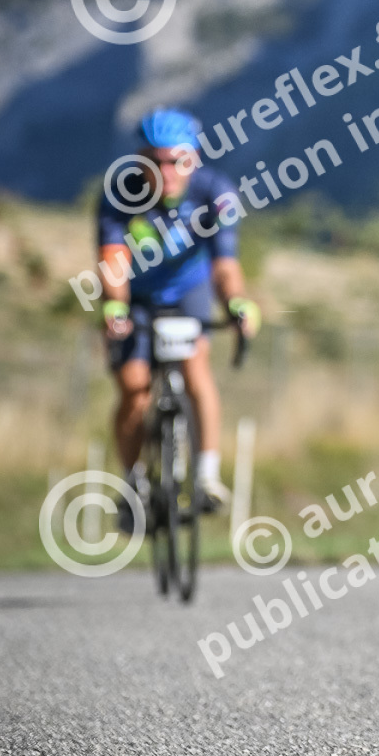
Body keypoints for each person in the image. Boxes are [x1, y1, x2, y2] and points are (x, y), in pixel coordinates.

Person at [97, 109, 260, 525]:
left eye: (177, 161)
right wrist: (114, 307)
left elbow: (225, 265)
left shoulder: (215, 192)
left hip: (190, 290)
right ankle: (133, 483)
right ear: (141, 160)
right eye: (155, 161)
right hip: (135, 296)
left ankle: (206, 476)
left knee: (195, 368)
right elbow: (113, 260)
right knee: (133, 388)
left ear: (194, 159)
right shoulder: (120, 192)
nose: (166, 171)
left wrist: (236, 304)